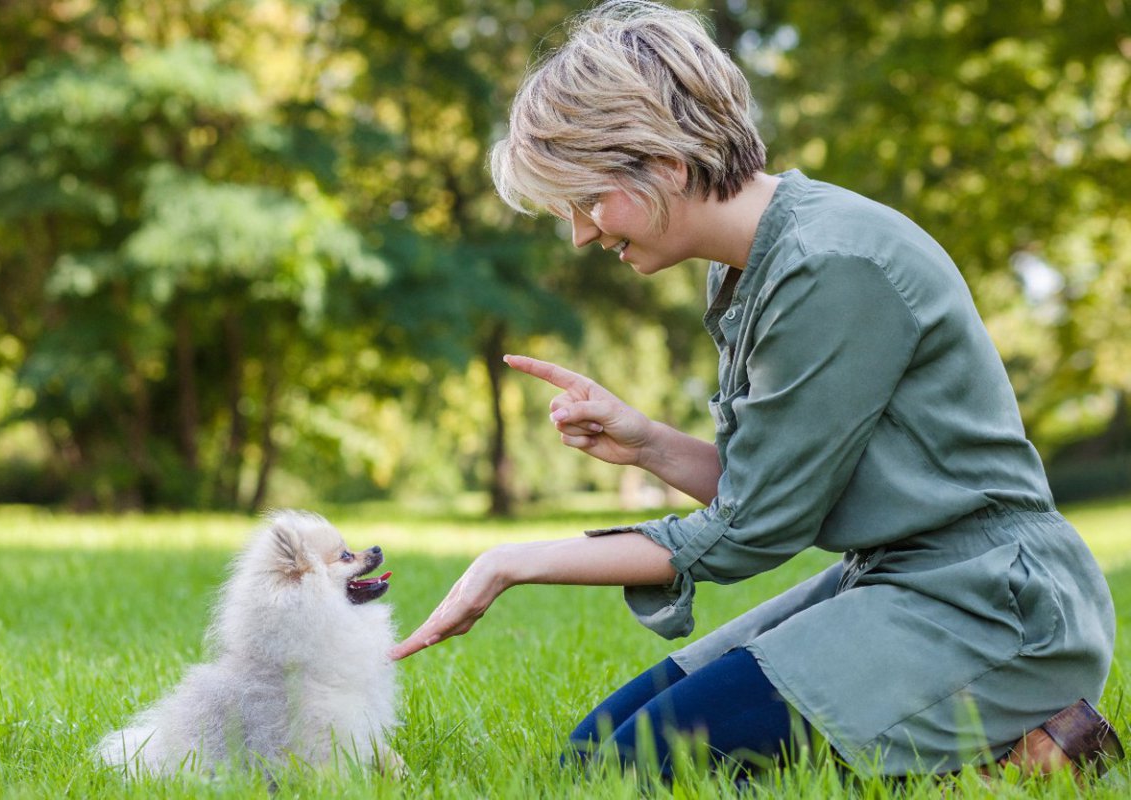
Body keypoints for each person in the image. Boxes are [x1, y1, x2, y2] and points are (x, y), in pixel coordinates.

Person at [390, 0, 1122, 781]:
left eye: (589, 199)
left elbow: (751, 533)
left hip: (994, 609)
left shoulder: (830, 263)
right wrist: (648, 443)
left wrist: (515, 561)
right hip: (892, 582)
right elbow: (779, 492)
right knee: (591, 760)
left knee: (643, 772)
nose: (581, 233)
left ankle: (1020, 747)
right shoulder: (755, 262)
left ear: (665, 163)